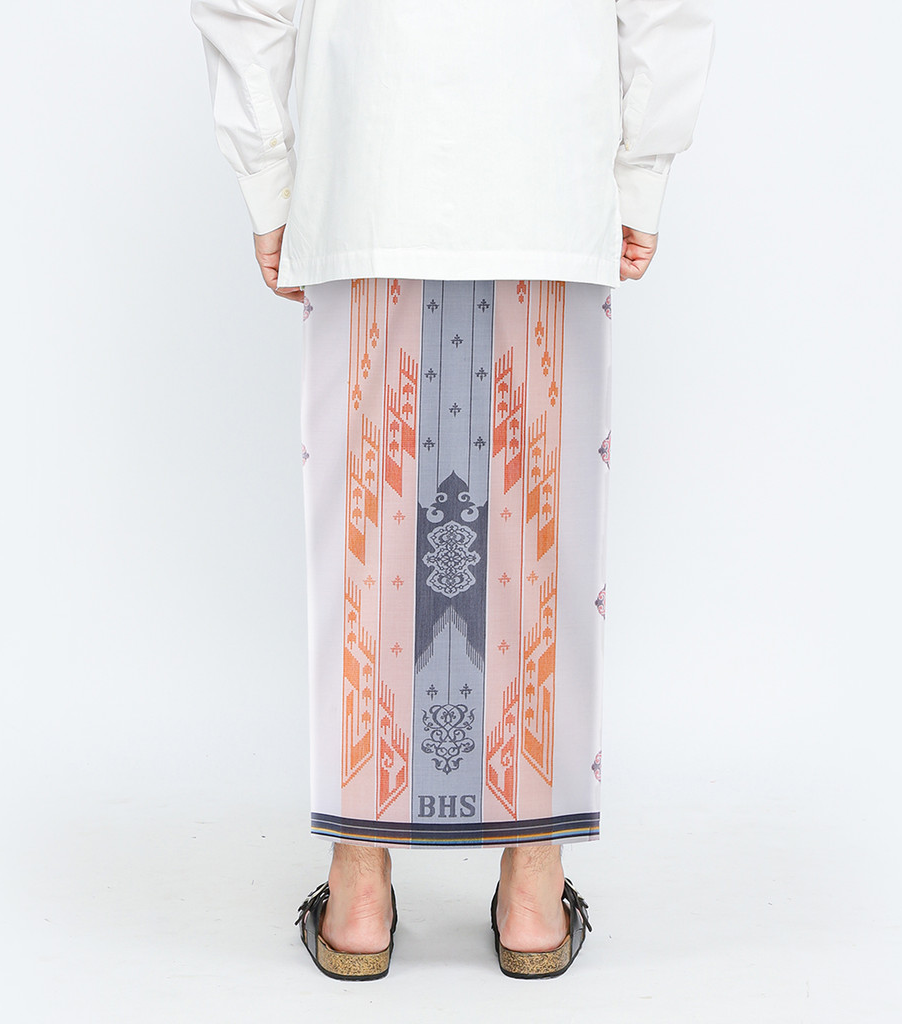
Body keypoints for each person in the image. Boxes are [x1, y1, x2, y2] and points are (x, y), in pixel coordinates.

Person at [190, 0, 714, 980]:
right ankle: (532, 896)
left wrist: (270, 179)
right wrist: (641, 168)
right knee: (541, 531)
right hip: (546, 170)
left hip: (370, 164)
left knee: (366, 534)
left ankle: (358, 895)